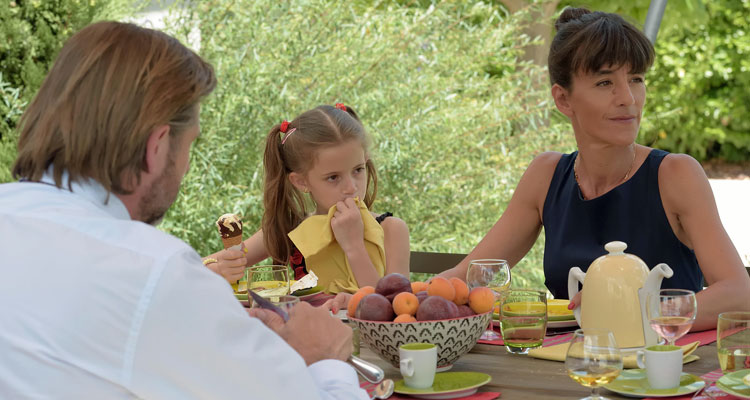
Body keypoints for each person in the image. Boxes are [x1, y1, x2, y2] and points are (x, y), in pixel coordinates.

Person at [0, 21, 368, 399]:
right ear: (158, 145)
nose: (187, 165)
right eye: (189, 144)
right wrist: (324, 359)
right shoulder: (151, 272)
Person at [439, 7, 750, 331]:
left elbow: (739, 295)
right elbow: (468, 278)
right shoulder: (546, 176)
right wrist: (406, 300)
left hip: (661, 374)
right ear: (563, 100)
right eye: (605, 82)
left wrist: (635, 310)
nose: (628, 98)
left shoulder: (675, 175)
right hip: (565, 367)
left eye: (636, 79)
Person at [205, 104, 410, 294]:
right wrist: (219, 268)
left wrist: (354, 246)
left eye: (358, 170)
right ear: (301, 182)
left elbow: (394, 312)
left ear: (366, 160)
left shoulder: (391, 230)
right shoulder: (289, 229)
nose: (351, 187)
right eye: (333, 177)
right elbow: (195, 267)